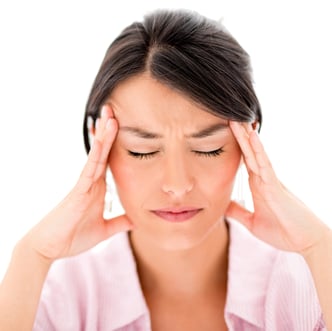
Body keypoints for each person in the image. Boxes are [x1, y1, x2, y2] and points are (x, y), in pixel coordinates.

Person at [0, 8, 331, 331]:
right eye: (142, 151)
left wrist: (320, 246)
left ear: (249, 140)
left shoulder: (306, 287)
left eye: (209, 148)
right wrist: (31, 255)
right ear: (99, 141)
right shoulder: (57, 300)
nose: (177, 184)